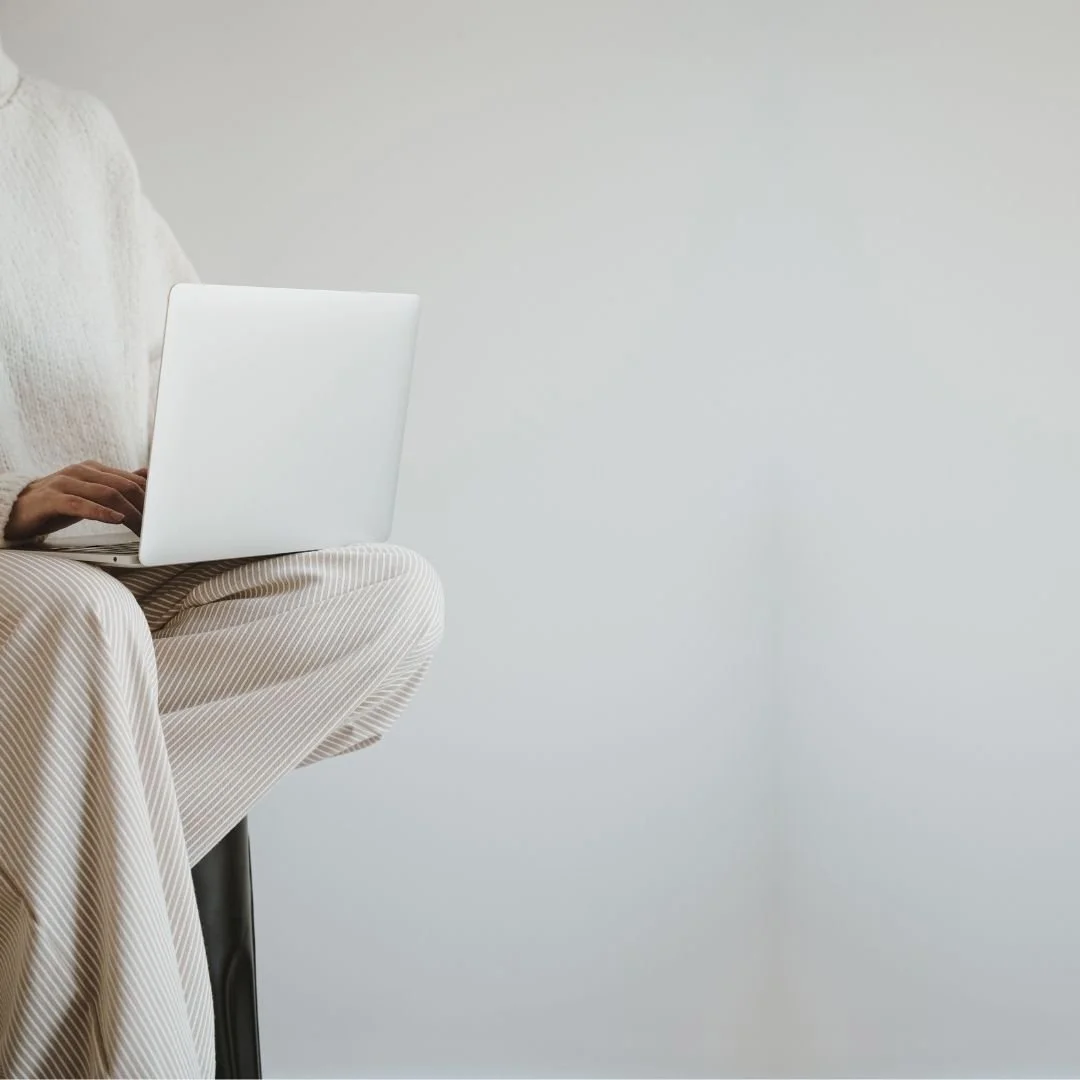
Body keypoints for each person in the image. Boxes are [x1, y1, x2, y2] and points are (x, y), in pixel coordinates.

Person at [0, 36, 444, 1079]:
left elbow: (180, 357)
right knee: (81, 623)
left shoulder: (76, 134)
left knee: (388, 599)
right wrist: (18, 500)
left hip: (117, 563)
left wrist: (222, 480)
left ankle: (39, 836)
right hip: (31, 582)